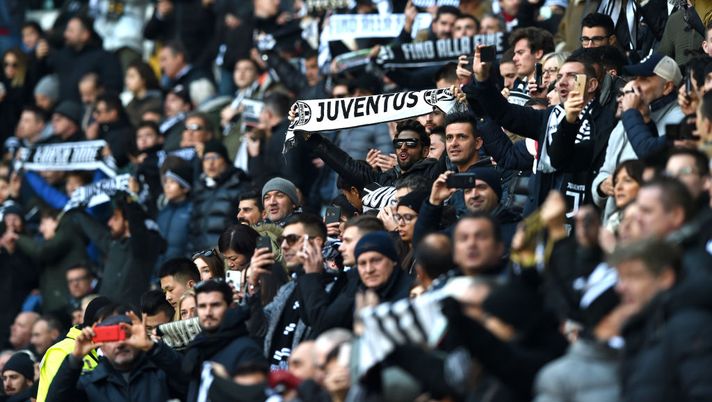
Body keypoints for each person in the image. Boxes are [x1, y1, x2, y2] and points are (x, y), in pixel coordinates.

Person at [610, 238, 712, 401]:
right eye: (621, 278)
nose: (621, 287)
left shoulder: (690, 327)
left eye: (633, 276)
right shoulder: (647, 327)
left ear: (665, 277)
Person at [47, 306, 188, 402]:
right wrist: (74, 360)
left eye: (126, 334)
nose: (120, 343)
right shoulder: (91, 384)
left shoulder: (161, 373)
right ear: (100, 343)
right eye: (110, 336)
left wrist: (153, 348)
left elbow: (190, 381)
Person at [246, 214, 326, 371]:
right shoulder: (287, 289)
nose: (283, 246)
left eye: (292, 239)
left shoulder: (334, 286)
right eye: (282, 240)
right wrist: (253, 284)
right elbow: (257, 329)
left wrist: (312, 276)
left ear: (316, 243)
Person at [298, 231, 412, 334]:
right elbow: (323, 324)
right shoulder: (357, 289)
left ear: (393, 261)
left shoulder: (412, 293)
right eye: (362, 263)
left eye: (376, 260)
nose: (369, 270)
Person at [68, 194, 165, 306]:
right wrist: (76, 210)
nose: (110, 223)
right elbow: (97, 233)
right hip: (104, 314)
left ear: (127, 221)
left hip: (127, 315)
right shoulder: (115, 245)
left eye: (115, 218)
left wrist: (130, 200)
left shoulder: (146, 246)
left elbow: (138, 231)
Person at [183, 279, 265, 402]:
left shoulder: (247, 350)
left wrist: (224, 383)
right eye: (202, 306)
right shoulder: (199, 347)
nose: (208, 313)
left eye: (215, 305)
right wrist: (154, 349)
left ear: (231, 306)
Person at [304, 119, 441, 189]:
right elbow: (347, 166)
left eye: (411, 143)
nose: (403, 147)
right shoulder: (384, 179)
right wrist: (309, 136)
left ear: (425, 151)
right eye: (399, 143)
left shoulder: (435, 173)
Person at [36, 296, 111, 402]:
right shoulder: (61, 351)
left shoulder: (110, 349)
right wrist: (74, 360)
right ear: (93, 324)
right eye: (106, 324)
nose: (110, 329)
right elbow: (53, 396)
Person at [189, 139, 250, 251]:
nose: (210, 163)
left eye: (215, 157)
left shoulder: (240, 186)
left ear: (226, 161)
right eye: (206, 158)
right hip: (201, 258)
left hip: (228, 255)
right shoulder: (199, 189)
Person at [47, 15, 122, 103]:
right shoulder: (62, 56)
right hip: (64, 111)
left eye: (71, 31)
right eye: (66, 30)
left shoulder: (104, 58)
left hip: (91, 111)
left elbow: (112, 88)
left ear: (85, 35)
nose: (65, 35)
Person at [156, 160, 193, 266]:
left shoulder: (192, 211)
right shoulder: (163, 210)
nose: (167, 186)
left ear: (185, 188)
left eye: (172, 182)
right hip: (158, 273)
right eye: (166, 182)